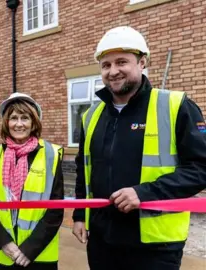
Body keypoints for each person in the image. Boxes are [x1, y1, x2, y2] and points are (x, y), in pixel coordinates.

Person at [72, 26, 206, 270]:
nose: (113, 71)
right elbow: (83, 170)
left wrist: (144, 193)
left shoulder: (175, 106)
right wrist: (80, 215)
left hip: (155, 246)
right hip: (103, 240)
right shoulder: (91, 116)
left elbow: (201, 168)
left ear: (142, 62)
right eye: (106, 65)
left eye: (121, 62)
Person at [0, 93, 64, 270]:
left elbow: (55, 209)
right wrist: (4, 242)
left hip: (37, 255)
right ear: (6, 122)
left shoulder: (51, 155)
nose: (19, 124)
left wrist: (30, 249)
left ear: (33, 122)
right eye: (13, 118)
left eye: (25, 118)